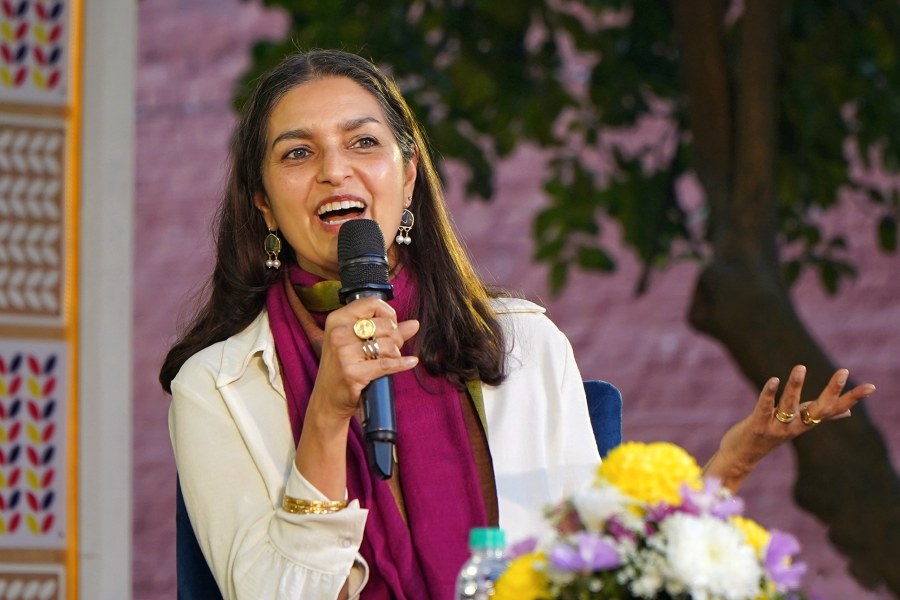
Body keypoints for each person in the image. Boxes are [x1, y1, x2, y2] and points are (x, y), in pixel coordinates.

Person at [160, 49, 876, 600]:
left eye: (364, 143)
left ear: (409, 178)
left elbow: (591, 568)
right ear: (261, 201)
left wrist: (730, 468)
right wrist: (326, 415)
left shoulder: (522, 345)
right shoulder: (217, 387)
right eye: (297, 153)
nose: (334, 171)